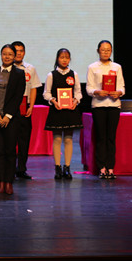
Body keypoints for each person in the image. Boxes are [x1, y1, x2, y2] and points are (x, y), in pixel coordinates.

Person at [0, 44, 26, 195]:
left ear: (14, 56)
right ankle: (1, 182)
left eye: (10, 54)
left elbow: (18, 97)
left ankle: (9, 182)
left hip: (11, 119)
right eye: (4, 54)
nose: (7, 57)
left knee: (10, 151)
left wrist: (8, 116)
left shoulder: (19, 73)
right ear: (1, 55)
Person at [86, 40, 125, 179]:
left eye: (108, 50)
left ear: (111, 51)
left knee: (111, 138)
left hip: (114, 105)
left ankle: (110, 168)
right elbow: (89, 88)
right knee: (101, 137)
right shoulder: (92, 67)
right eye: (103, 50)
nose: (106, 52)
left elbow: (122, 87)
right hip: (99, 106)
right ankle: (101, 168)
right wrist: (97, 92)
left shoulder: (117, 67)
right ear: (98, 51)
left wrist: (118, 93)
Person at [43, 48, 83, 180]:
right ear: (57, 59)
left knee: (68, 139)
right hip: (57, 110)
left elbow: (78, 92)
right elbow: (46, 93)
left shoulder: (74, 74)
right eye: (62, 57)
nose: (64, 60)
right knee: (57, 139)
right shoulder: (51, 75)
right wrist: (53, 101)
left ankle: (67, 167)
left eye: (67, 57)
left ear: (70, 59)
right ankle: (57, 167)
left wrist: (75, 101)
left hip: (70, 110)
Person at [11, 41, 42, 180]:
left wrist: (31, 106)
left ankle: (22, 169)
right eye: (16, 51)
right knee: (11, 140)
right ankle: (10, 169)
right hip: (10, 108)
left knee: (24, 140)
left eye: (21, 51)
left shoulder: (30, 68)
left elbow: (34, 87)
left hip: (25, 107)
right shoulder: (6, 68)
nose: (19, 53)